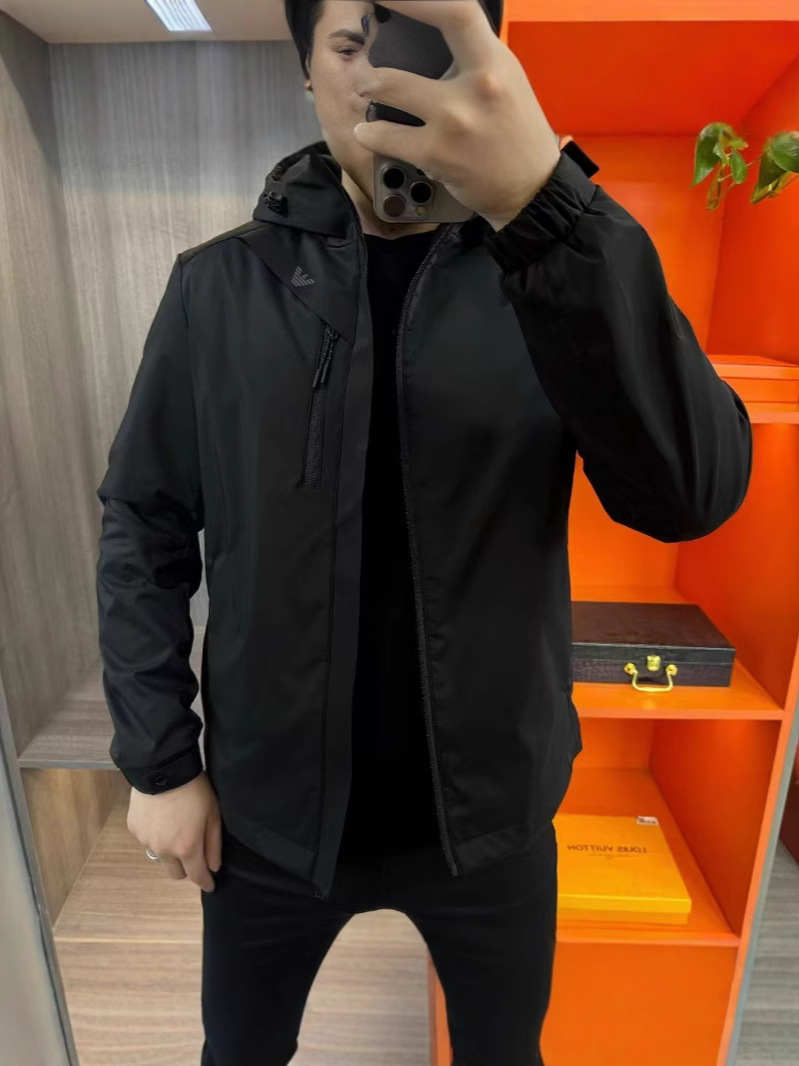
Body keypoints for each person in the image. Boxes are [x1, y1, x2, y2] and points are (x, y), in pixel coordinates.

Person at [94, 2, 753, 1063]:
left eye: (418, 46)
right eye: (351, 45)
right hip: (270, 819)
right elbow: (144, 522)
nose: (383, 78)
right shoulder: (218, 285)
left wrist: (550, 207)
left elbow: (691, 494)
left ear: (480, 69)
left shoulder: (550, 276)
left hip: (490, 819)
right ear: (305, 72)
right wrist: (159, 761)